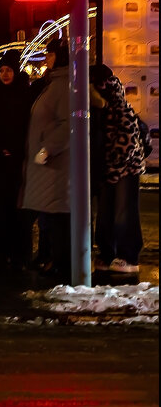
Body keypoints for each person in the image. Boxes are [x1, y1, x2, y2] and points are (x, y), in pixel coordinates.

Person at [21, 38, 72, 284]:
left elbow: (69, 124)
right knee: (52, 216)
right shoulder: (56, 82)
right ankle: (56, 261)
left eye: (50, 55)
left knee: (58, 216)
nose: (46, 59)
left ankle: (62, 265)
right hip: (50, 164)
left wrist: (47, 149)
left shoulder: (63, 84)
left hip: (55, 164)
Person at [90, 63, 146, 275]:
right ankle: (108, 253)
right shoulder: (103, 108)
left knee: (124, 213)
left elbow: (128, 143)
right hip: (110, 170)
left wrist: (112, 162)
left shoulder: (117, 107)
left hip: (124, 170)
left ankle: (128, 256)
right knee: (106, 214)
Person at [0, 49, 33, 273]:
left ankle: (19, 255)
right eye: (1, 70)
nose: (4, 74)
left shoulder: (25, 93)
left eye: (9, 70)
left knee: (19, 210)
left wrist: (17, 149)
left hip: (19, 160)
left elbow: (27, 125)